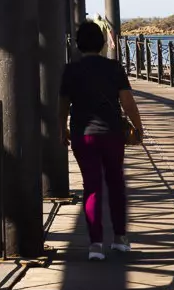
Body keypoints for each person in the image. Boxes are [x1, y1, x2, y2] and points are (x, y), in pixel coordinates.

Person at [59, 19, 145, 260]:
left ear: (78, 44)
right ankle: (120, 239)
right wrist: (138, 128)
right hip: (112, 132)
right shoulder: (114, 67)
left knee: (92, 186)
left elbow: (63, 104)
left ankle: (95, 245)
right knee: (116, 182)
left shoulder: (70, 70)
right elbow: (127, 102)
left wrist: (60, 128)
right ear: (101, 44)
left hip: (83, 134)